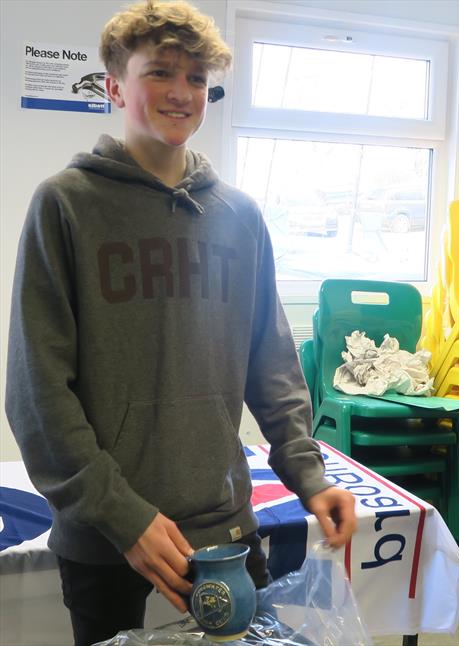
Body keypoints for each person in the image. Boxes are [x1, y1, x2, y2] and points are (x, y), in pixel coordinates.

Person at [4, 2, 356, 644]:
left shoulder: (240, 215)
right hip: (110, 538)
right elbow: (36, 393)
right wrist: (121, 514)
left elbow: (271, 364)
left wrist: (308, 475)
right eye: (160, 72)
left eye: (197, 78)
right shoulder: (67, 204)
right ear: (114, 86)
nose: (182, 92)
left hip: (224, 528)